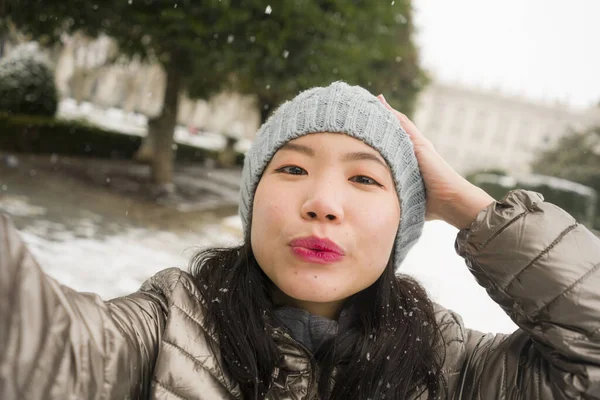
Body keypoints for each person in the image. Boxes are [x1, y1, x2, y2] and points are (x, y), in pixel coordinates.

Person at [1, 82, 599, 400]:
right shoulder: (159, 334)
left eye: (365, 178)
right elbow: (27, 346)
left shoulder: (454, 371)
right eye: (291, 169)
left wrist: (473, 208)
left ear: (404, 221)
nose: (323, 201)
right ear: (252, 202)